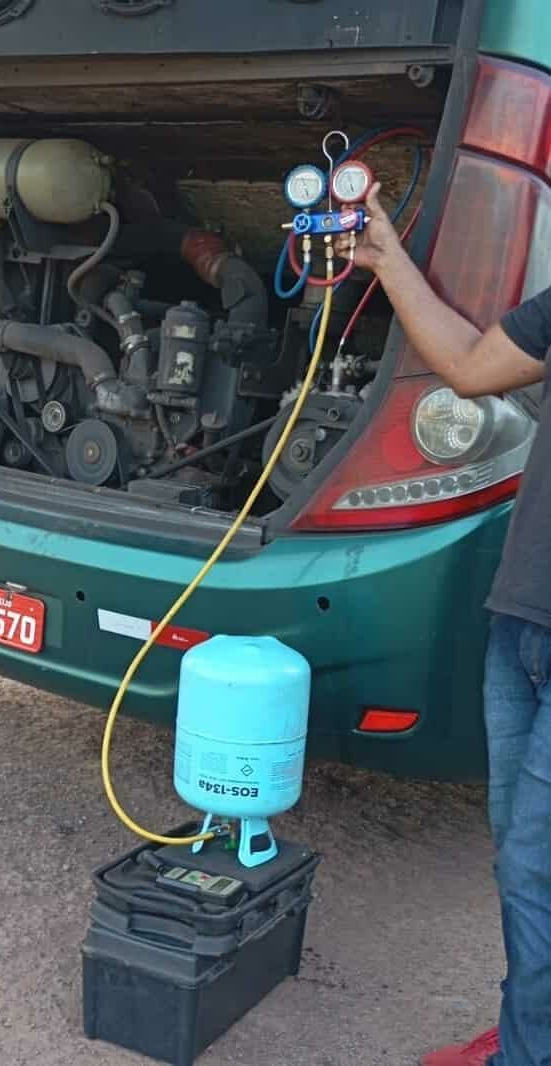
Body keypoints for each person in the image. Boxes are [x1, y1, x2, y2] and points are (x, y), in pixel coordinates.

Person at [336, 186, 551, 1066]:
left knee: (537, 867)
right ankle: (529, 1033)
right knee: (519, 860)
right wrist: (387, 261)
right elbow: (466, 363)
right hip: (523, 620)